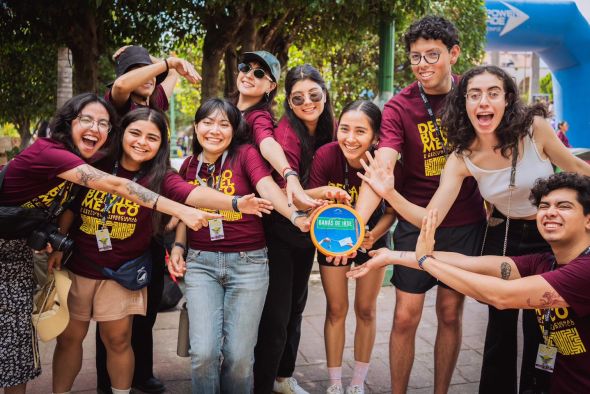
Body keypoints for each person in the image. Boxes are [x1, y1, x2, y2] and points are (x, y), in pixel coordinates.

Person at [358, 64, 590, 393]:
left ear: (508, 100)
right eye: (474, 94)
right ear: (464, 103)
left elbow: (579, 169)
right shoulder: (461, 157)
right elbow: (431, 217)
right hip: (503, 233)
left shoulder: (534, 129)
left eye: (493, 94)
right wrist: (390, 193)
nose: (484, 102)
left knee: (546, 326)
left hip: (549, 235)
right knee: (500, 324)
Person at [0, 93, 211, 394]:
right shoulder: (74, 158)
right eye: (87, 120)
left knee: (113, 340)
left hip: (118, 273)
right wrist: (180, 211)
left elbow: (189, 193)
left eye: (103, 123)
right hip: (74, 266)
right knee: (51, 340)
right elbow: (94, 195)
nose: (141, 141)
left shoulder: (160, 175)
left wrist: (236, 202)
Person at [349, 172, 590, 394]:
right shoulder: (546, 261)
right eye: (544, 206)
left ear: (588, 220)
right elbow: (471, 263)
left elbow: (502, 296)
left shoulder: (584, 271)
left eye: (564, 206)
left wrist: (426, 260)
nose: (550, 212)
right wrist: (394, 256)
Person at [344, 16, 485, 394]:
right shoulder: (399, 106)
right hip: (413, 219)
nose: (423, 64)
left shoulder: (473, 95)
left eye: (432, 55)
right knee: (405, 316)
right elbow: (383, 165)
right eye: (415, 57)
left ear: (453, 54)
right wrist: (356, 223)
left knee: (450, 313)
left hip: (465, 220)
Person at [167, 98, 311, 393]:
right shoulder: (188, 165)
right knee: (203, 353)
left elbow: (268, 188)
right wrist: (179, 247)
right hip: (201, 264)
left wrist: (295, 216)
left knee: (239, 357)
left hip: (249, 265)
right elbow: (184, 212)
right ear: (196, 127)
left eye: (223, 124)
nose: (214, 130)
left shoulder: (245, 155)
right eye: (207, 122)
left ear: (234, 130)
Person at [97, 44, 201, 394]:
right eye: (140, 69)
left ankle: (142, 372)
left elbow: (167, 82)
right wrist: (166, 62)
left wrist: (173, 69)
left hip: (154, 215)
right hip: (119, 216)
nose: (149, 74)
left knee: (149, 301)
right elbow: (125, 85)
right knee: (112, 315)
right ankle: (106, 381)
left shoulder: (154, 102)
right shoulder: (119, 104)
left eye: (150, 70)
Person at [254, 64, 335, 394]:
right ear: (288, 100)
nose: (307, 102)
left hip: (309, 230)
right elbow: (289, 191)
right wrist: (328, 193)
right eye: (297, 97)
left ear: (324, 94)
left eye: (314, 95)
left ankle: (283, 377)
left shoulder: (331, 127)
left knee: (297, 306)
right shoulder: (287, 132)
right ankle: (263, 383)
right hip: (281, 228)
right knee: (277, 312)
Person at [306, 100, 396, 394]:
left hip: (373, 240)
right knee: (336, 309)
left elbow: (393, 209)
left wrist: (374, 234)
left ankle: (357, 382)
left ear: (376, 136)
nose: (350, 138)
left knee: (366, 310)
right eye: (344, 129)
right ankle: (334, 383)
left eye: (360, 131)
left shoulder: (384, 161)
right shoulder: (326, 155)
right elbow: (311, 204)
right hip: (332, 240)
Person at [232, 51, 318, 209]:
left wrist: (289, 174)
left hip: (243, 209)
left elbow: (267, 143)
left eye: (259, 73)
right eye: (245, 68)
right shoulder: (225, 110)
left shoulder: (259, 117)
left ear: (271, 86)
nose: (249, 75)